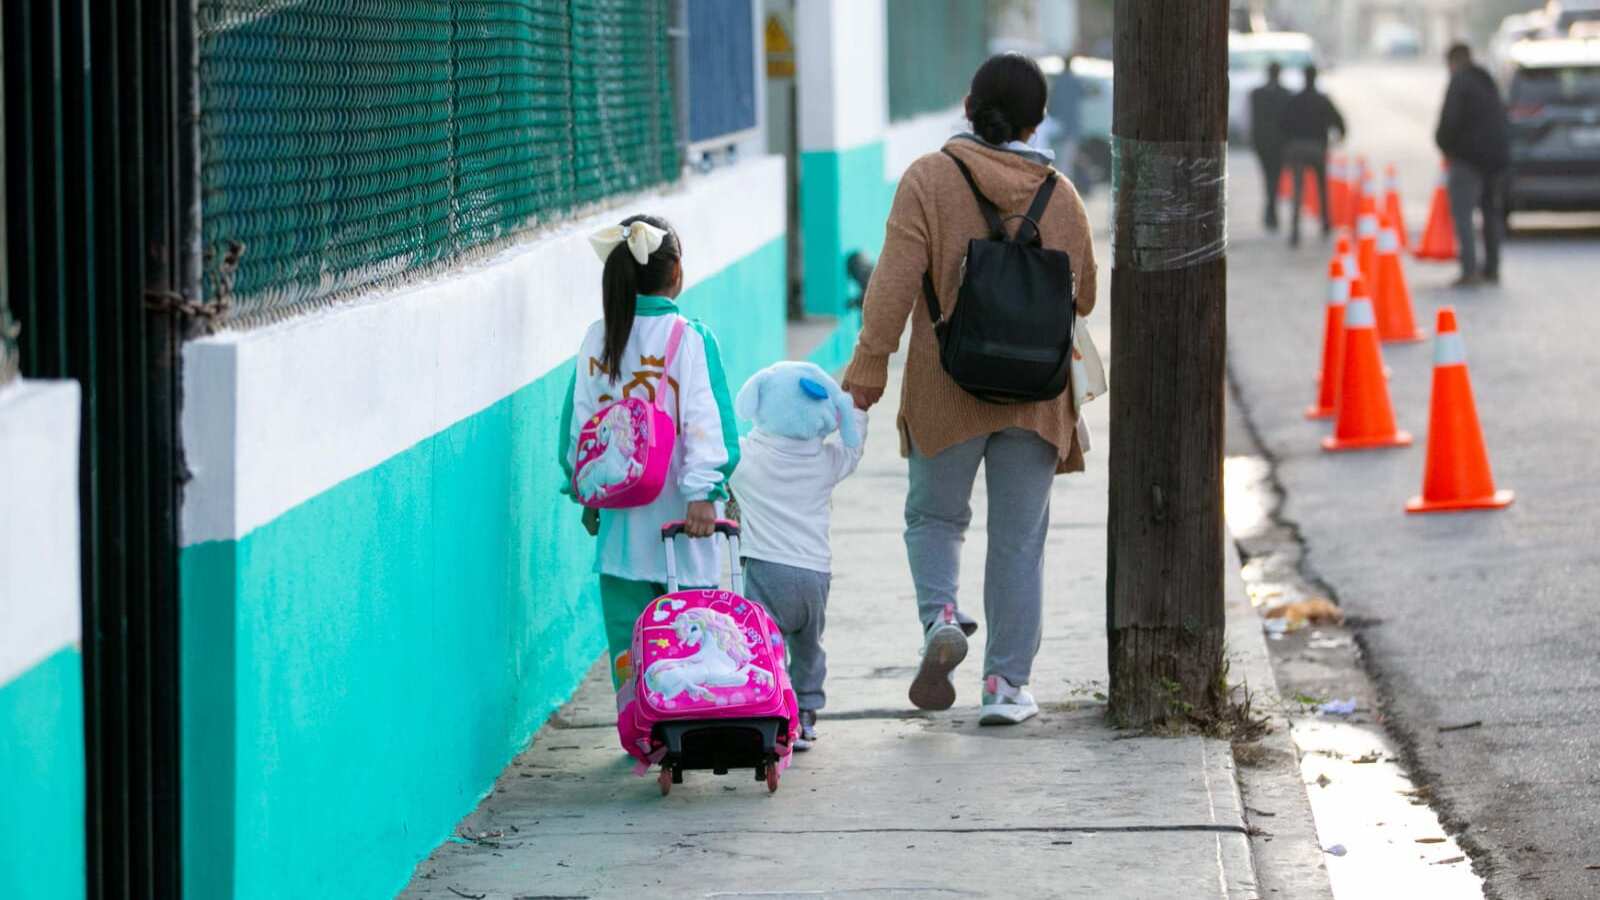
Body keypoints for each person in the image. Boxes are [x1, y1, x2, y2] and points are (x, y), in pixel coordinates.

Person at [841, 53, 1098, 726]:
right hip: (1035, 396)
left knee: (933, 518)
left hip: (945, 387)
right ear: (1039, 120)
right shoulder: (1061, 194)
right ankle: (1006, 686)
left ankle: (942, 618)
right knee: (1018, 540)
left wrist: (869, 365)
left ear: (967, 103)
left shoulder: (928, 177)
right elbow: (1089, 295)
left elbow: (893, 283)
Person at [560, 215, 741, 691]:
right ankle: (687, 729)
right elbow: (707, 421)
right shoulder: (689, 338)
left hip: (621, 534)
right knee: (691, 645)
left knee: (631, 650)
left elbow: (579, 427)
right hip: (685, 527)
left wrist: (588, 494)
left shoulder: (597, 339)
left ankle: (640, 732)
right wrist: (705, 491)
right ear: (676, 271)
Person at [730, 362, 869, 751]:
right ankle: (807, 712)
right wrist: (853, 412)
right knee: (809, 648)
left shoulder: (747, 459)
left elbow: (717, 454)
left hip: (764, 568)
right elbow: (853, 450)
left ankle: (772, 714)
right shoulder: (824, 462)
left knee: (762, 647)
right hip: (815, 576)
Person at [1436, 42, 1510, 286]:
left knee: (1463, 214)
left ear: (1453, 62)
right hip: (1495, 159)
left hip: (1467, 159)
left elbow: (1449, 121)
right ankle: (1492, 267)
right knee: (1490, 212)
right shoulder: (1487, 81)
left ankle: (1469, 270)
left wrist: (1446, 147)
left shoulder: (1459, 82)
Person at [1280, 64, 1346, 247]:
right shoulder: (1322, 99)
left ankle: (1295, 231)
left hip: (1298, 148)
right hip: (1317, 147)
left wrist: (1289, 144)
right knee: (1321, 187)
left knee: (1298, 190)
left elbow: (1283, 124)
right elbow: (1339, 121)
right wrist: (1340, 137)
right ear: (1315, 77)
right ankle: (1325, 224)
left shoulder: (1295, 100)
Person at [1249, 61, 1293, 231]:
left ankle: (1270, 211)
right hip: (1279, 143)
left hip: (1262, 142)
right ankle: (1271, 211)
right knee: (1274, 176)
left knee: (1268, 176)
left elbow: (1252, 119)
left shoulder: (1256, 94)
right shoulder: (1286, 94)